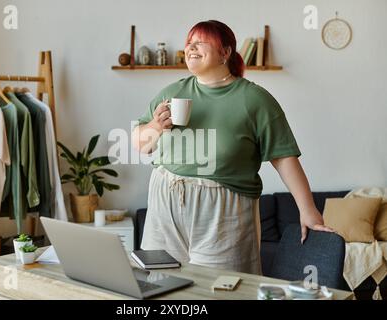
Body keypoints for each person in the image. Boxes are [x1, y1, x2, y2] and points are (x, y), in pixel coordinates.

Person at [131, 20, 333, 274]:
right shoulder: (172, 92)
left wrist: (308, 210)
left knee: (225, 287)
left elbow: (284, 157)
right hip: (165, 202)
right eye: (188, 43)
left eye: (200, 42)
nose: (191, 48)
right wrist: (155, 126)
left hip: (224, 211)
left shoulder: (255, 100)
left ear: (225, 52)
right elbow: (141, 145)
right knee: (162, 281)